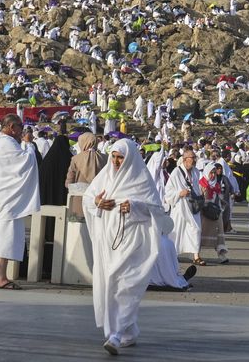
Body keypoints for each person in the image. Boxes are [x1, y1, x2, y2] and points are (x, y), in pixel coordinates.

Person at [83, 138, 172, 355]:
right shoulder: (105, 176)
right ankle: (127, 332)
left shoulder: (141, 179)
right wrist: (97, 203)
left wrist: (135, 206)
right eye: (113, 156)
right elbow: (87, 198)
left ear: (130, 158)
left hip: (133, 243)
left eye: (120, 157)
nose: (115, 161)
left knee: (125, 285)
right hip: (109, 243)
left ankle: (115, 335)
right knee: (111, 285)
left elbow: (157, 213)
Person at [0, 114, 40, 290]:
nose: (22, 131)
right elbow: (24, 163)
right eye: (20, 127)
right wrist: (28, 145)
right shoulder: (8, 144)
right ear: (12, 127)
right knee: (4, 237)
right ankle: (1, 277)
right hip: (5, 199)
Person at [164, 148, 204, 265]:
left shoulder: (196, 172)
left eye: (194, 158)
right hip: (180, 207)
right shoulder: (176, 172)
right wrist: (179, 193)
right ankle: (173, 254)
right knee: (178, 231)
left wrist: (201, 193)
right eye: (192, 158)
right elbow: (168, 192)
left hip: (193, 206)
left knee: (196, 229)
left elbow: (196, 187)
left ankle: (196, 255)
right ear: (186, 159)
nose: (194, 160)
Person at [198, 163, 229, 264]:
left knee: (219, 232)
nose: (213, 175)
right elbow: (199, 197)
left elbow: (220, 197)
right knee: (200, 233)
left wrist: (222, 203)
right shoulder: (201, 183)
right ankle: (196, 254)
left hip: (215, 211)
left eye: (214, 173)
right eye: (211, 173)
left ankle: (221, 254)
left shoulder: (217, 184)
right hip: (204, 212)